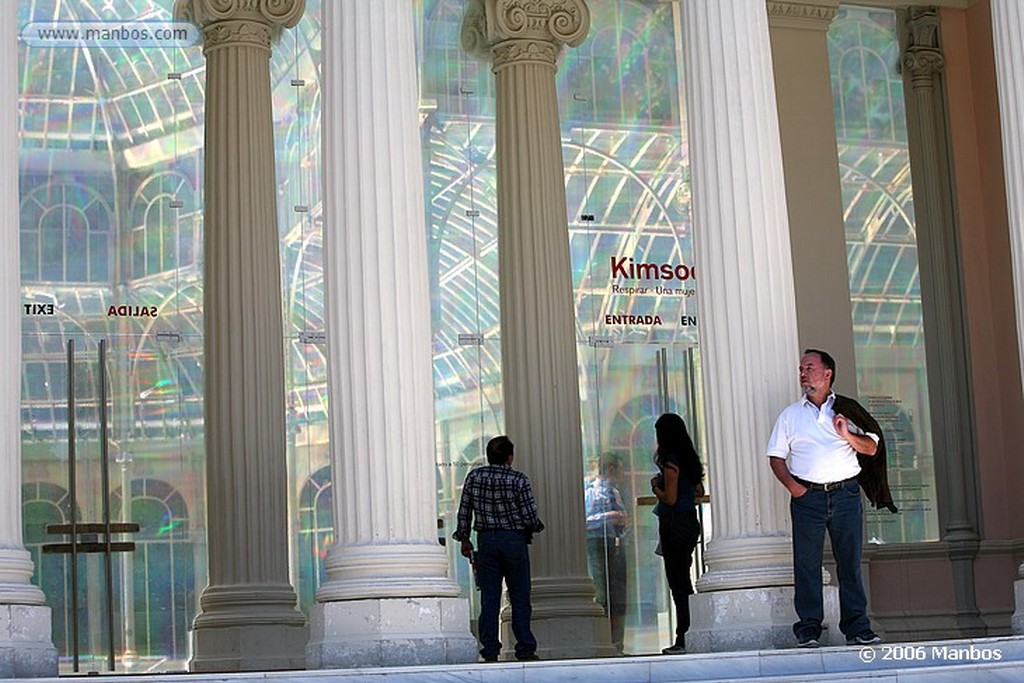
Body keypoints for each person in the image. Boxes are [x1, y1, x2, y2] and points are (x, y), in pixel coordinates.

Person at [766, 348, 886, 649]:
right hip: (808, 498)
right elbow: (776, 457)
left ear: (827, 373)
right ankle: (808, 629)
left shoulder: (847, 409)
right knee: (806, 564)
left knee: (850, 563)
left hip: (845, 495)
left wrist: (846, 433)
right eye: (801, 369)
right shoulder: (791, 415)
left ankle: (857, 628)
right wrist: (795, 488)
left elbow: (871, 448)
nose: (803, 373)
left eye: (809, 367)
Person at [453, 435, 545, 662]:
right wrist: (535, 526)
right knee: (520, 596)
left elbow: (464, 510)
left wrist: (464, 538)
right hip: (513, 541)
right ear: (509, 457)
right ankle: (524, 648)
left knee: (490, 597)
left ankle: (490, 649)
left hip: (486, 542)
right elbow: (530, 515)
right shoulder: (519, 480)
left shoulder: (474, 477)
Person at [650, 412, 704, 655]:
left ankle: (684, 636)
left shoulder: (671, 461)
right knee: (684, 579)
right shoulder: (689, 459)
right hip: (690, 521)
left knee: (678, 583)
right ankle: (690, 632)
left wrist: (655, 487)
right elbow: (699, 492)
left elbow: (669, 498)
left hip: (673, 523)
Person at [585, 452, 629, 654]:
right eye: (620, 469)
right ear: (611, 469)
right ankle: (602, 642)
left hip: (614, 544)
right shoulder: (591, 491)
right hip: (596, 544)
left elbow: (621, 520)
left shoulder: (615, 492)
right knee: (602, 593)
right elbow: (586, 521)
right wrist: (609, 517)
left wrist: (621, 522)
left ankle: (616, 643)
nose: (622, 473)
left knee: (617, 595)